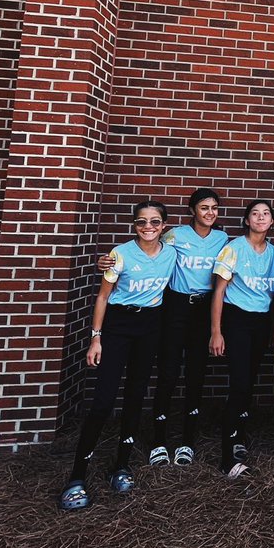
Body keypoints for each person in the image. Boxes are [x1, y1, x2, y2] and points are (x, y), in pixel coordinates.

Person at [99, 188, 229, 467]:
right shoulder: (175, 235)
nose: (209, 212)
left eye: (214, 208)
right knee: (168, 372)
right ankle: (159, 440)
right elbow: (147, 247)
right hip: (175, 308)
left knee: (196, 373)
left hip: (204, 310)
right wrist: (107, 261)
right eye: (204, 207)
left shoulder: (222, 239)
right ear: (192, 210)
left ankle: (187, 441)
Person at [59, 200, 177, 510]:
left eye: (154, 222)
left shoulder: (172, 252)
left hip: (150, 326)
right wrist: (95, 338)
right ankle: (77, 477)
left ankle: (121, 466)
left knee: (136, 396)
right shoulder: (120, 254)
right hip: (118, 325)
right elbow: (102, 296)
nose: (148, 227)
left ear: (164, 226)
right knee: (103, 400)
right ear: (134, 225)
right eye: (141, 222)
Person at [210, 199, 274, 478]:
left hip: (261, 322)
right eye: (255, 213)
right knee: (238, 383)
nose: (261, 218)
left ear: (272, 221)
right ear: (247, 220)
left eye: (266, 214)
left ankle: (238, 437)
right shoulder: (234, 248)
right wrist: (216, 331)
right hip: (236, 319)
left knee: (248, 382)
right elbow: (218, 291)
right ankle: (227, 459)